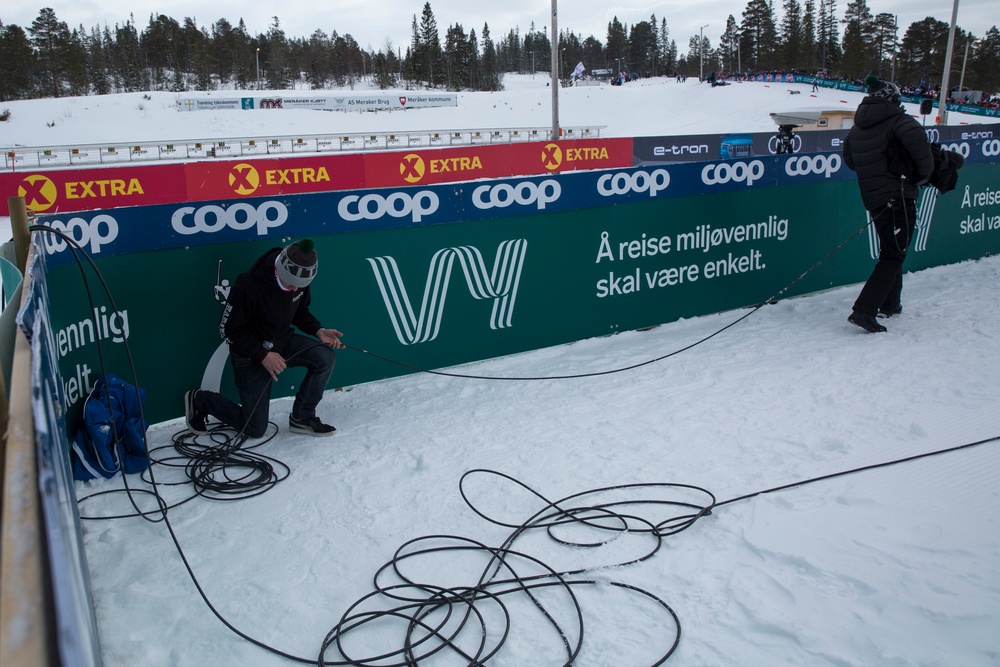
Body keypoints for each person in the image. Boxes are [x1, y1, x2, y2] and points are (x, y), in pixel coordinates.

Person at [185, 238, 345, 437]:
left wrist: (318, 330)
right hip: (250, 355)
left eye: (300, 286)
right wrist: (263, 355)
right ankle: (201, 400)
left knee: (325, 358)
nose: (295, 290)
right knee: (255, 429)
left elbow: (299, 310)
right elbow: (227, 329)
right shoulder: (248, 286)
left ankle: (302, 417)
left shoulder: (300, 277)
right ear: (280, 270)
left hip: (281, 341)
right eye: (291, 285)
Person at [842, 75, 933, 333]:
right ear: (894, 99)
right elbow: (925, 166)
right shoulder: (904, 123)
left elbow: (851, 161)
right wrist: (913, 179)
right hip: (898, 197)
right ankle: (864, 310)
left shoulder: (857, 127)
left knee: (892, 251)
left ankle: (890, 304)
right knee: (894, 254)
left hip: (873, 197)